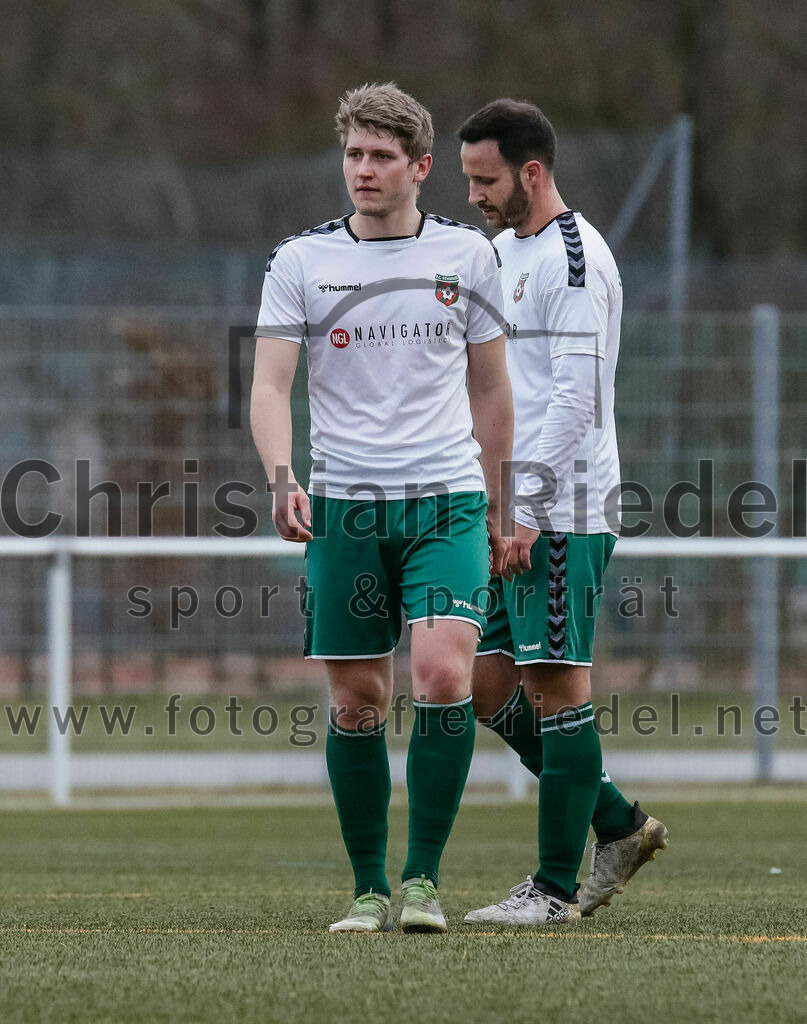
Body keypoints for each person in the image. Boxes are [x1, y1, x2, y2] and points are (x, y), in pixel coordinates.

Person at [251, 83, 512, 934]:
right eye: (353, 154)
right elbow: (269, 383)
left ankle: (423, 883)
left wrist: (503, 499)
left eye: (380, 157)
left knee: (442, 675)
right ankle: (367, 890)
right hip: (345, 508)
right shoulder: (300, 262)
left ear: (419, 167)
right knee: (359, 700)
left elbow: (490, 385)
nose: (362, 171)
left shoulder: (468, 258)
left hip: (446, 499)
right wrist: (282, 473)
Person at [457, 98, 667, 926]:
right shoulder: (503, 249)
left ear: (531, 172)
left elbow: (573, 400)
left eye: (485, 178)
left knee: (553, 688)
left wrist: (529, 512)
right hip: (506, 507)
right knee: (482, 683)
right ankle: (614, 820)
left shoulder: (574, 261)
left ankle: (550, 890)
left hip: (562, 510)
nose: (473, 193)